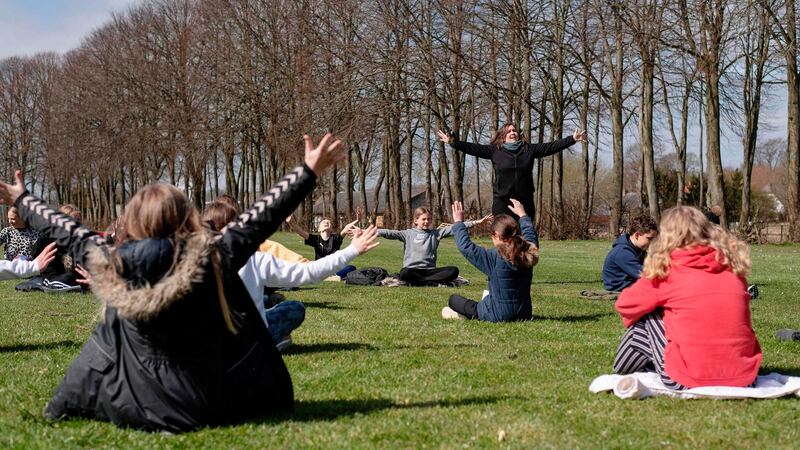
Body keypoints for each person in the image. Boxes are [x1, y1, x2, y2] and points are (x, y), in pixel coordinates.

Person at [0, 133, 345, 432]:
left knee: (108, 328)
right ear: (186, 219)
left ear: (132, 221)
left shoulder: (110, 258)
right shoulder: (212, 255)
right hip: (210, 403)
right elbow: (259, 216)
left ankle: (67, 402)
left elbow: (66, 229)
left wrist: (22, 200)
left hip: (130, 405)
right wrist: (308, 171)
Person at [612, 206, 761, 390]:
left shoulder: (669, 271)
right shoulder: (734, 269)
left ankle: (626, 367)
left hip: (686, 380)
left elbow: (626, 305)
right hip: (745, 378)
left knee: (647, 316)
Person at [436, 125, 587, 219]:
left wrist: (572, 139)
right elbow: (472, 148)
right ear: (503, 136)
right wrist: (452, 142)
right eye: (509, 131)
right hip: (503, 202)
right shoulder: (495, 151)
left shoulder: (529, 150)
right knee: (504, 238)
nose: (513, 132)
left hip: (525, 202)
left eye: (515, 130)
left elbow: (551, 147)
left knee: (523, 239)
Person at [442, 199, 539, 321]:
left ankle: (464, 315)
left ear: (497, 235)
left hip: (498, 315)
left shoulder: (494, 256)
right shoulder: (528, 250)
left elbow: (466, 247)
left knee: (454, 299)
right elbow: (530, 234)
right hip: (524, 314)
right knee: (489, 294)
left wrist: (458, 223)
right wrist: (523, 215)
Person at [377, 207, 491, 286]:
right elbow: (389, 233)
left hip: (430, 271)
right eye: (424, 219)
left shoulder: (435, 234)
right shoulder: (407, 234)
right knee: (404, 273)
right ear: (416, 220)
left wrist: (477, 222)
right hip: (412, 271)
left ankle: (422, 283)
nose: (427, 221)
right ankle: (432, 283)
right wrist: (367, 231)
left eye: (428, 219)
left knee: (454, 271)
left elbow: (455, 227)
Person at [286, 210, 361, 278]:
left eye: (328, 223)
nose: (326, 223)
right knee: (305, 266)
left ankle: (331, 276)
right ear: (319, 229)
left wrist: (357, 220)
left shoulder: (336, 238)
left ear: (331, 229)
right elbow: (301, 232)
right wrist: (291, 223)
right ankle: (330, 276)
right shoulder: (315, 239)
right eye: (324, 222)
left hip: (334, 269)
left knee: (351, 267)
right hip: (320, 268)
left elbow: (346, 229)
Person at [601, 214, 658, 292]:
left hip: (631, 283)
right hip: (621, 286)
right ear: (637, 235)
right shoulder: (623, 252)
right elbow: (645, 274)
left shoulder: (638, 250)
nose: (652, 242)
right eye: (649, 239)